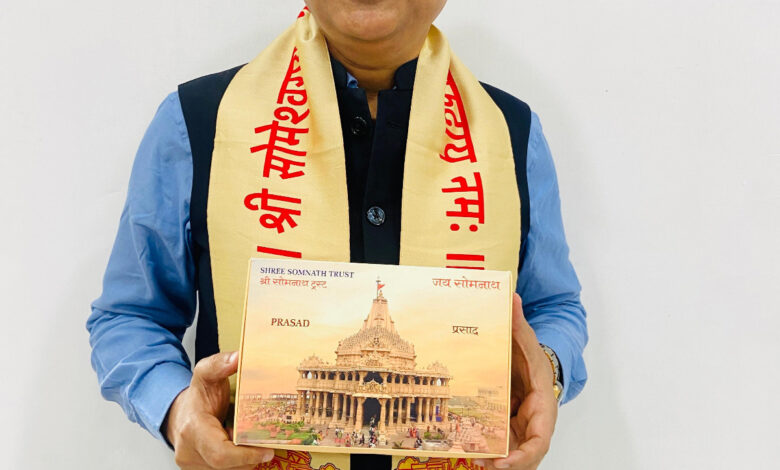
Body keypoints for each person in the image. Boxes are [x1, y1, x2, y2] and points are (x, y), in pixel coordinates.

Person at [86, 1, 588, 469]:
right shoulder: (201, 122)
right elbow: (131, 316)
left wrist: (545, 367)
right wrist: (177, 410)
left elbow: (553, 305)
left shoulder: (511, 134)